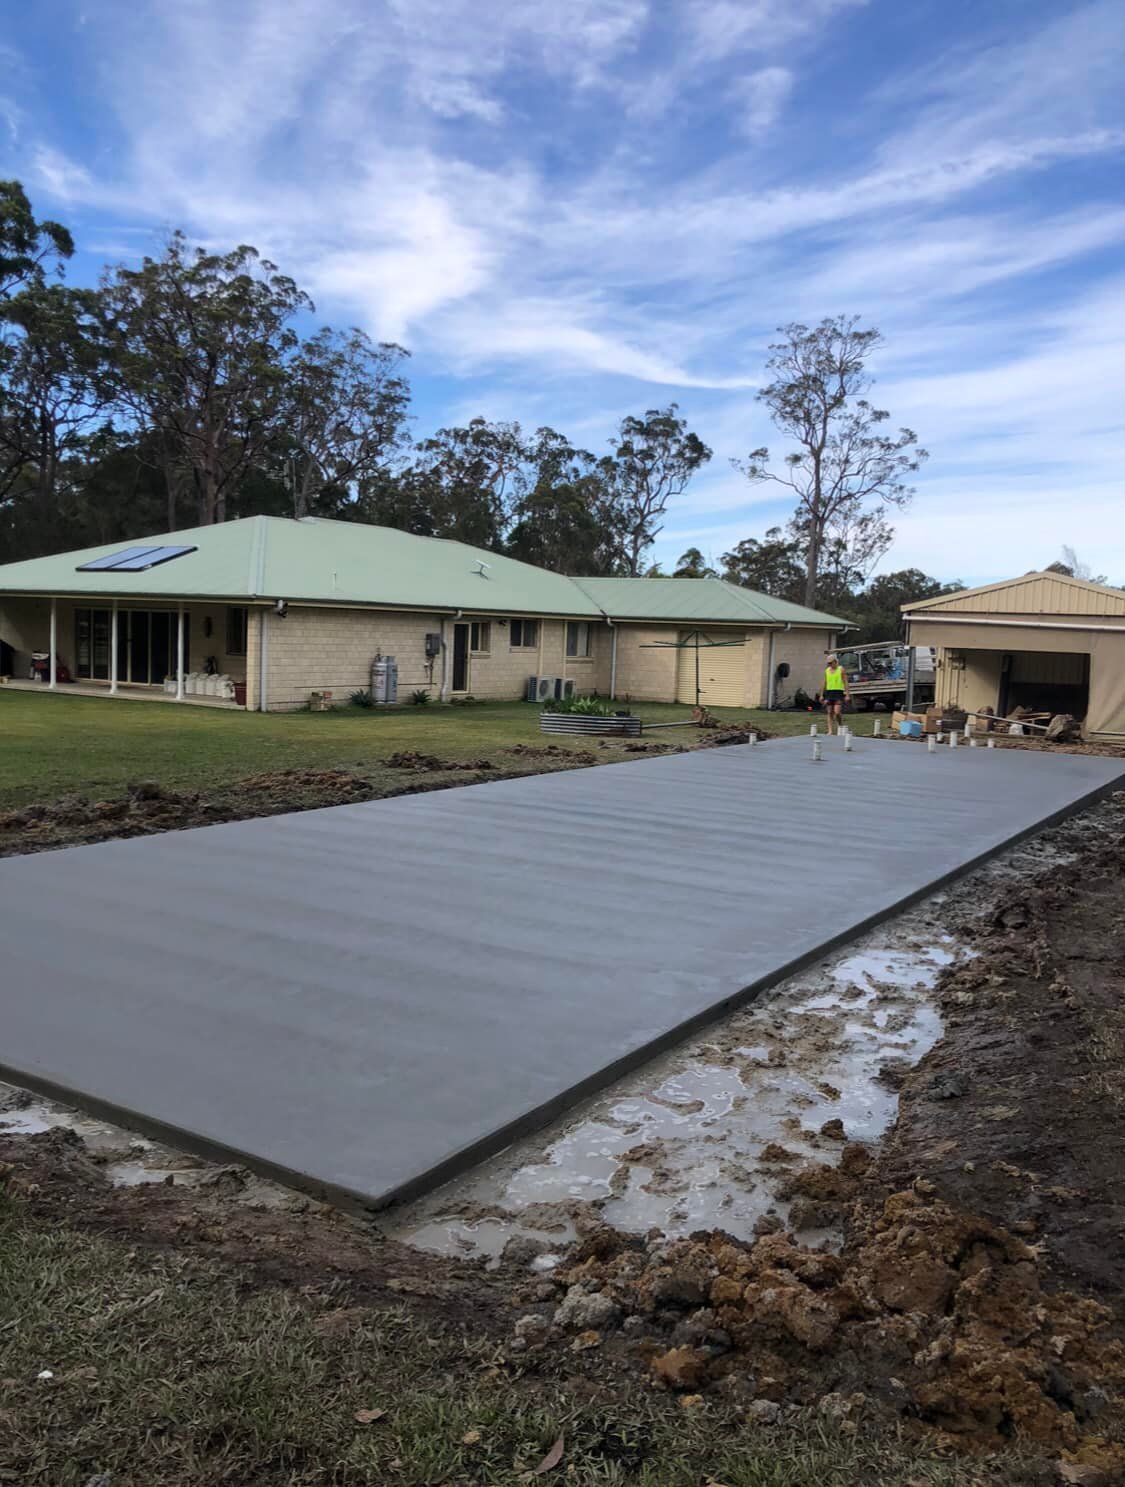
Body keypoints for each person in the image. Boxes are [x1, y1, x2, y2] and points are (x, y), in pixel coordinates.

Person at [823, 653, 849, 735]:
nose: (829, 664)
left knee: (837, 712)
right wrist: (821, 694)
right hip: (829, 692)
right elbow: (825, 682)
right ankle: (830, 730)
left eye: (831, 663)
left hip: (838, 692)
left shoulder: (841, 669)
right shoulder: (827, 670)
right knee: (830, 712)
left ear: (835, 661)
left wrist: (847, 694)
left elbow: (845, 682)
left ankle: (840, 724)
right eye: (828, 663)